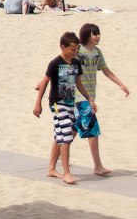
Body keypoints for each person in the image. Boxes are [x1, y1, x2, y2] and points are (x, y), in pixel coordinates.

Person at [33, 31, 96, 185]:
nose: (75, 52)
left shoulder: (75, 63)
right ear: (63, 47)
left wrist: (89, 99)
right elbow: (45, 82)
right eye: (72, 49)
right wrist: (38, 103)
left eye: (76, 49)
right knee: (67, 134)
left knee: (60, 135)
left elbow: (79, 83)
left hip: (69, 102)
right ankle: (66, 172)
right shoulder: (55, 63)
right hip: (56, 103)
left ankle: (51, 169)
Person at [74, 23, 130, 176]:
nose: (98, 36)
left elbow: (106, 71)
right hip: (79, 96)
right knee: (92, 129)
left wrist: (120, 84)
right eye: (94, 34)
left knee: (72, 128)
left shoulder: (97, 52)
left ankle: (58, 157)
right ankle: (97, 166)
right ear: (86, 35)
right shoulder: (77, 51)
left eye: (98, 33)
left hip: (88, 96)